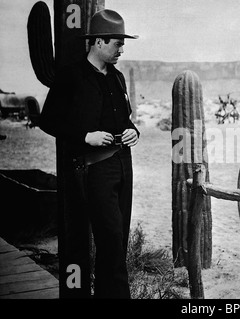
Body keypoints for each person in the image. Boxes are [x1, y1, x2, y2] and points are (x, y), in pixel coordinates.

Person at [39, 9, 139, 298]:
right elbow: (48, 120)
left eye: (122, 42)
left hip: (123, 164)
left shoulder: (118, 78)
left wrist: (134, 132)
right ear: (98, 41)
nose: (122, 48)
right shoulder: (71, 77)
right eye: (117, 43)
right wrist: (85, 136)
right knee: (110, 241)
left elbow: (125, 120)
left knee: (117, 244)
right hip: (95, 169)